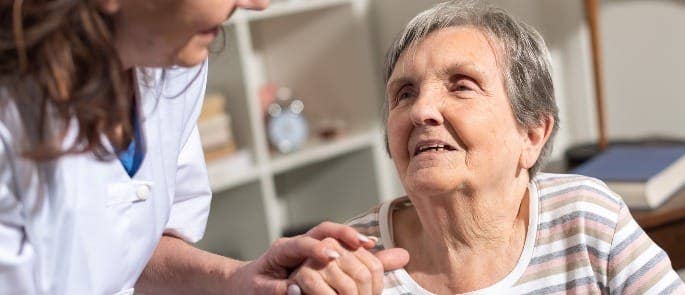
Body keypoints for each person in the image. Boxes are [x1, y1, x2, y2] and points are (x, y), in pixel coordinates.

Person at [0, 0, 408, 294]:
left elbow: (127, 244)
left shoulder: (170, 66)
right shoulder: (11, 117)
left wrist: (238, 280)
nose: (257, 4)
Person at [346, 0, 685, 294]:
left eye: (462, 86)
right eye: (404, 93)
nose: (421, 111)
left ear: (532, 134)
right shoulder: (351, 260)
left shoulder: (588, 221)